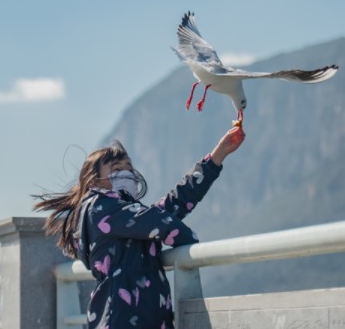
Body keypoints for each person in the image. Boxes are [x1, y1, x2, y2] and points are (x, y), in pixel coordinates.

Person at [35, 126, 245, 329]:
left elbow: (171, 206)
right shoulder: (100, 208)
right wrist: (190, 242)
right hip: (121, 320)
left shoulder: (124, 215)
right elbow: (159, 221)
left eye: (129, 168)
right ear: (93, 181)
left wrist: (218, 155)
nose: (126, 173)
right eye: (116, 169)